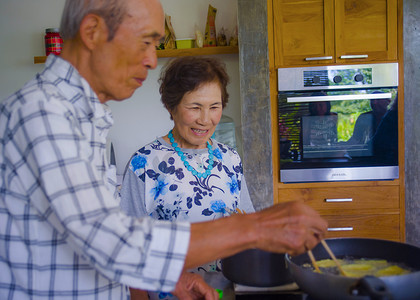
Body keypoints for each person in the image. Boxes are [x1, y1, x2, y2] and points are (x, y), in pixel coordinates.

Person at [0, 0, 328, 299]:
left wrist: (172, 279)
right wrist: (259, 227)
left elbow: (89, 244)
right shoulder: (45, 114)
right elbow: (114, 243)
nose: (152, 59)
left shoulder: (79, 119)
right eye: (146, 42)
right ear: (92, 32)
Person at [120, 56, 255, 299]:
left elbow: (246, 227)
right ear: (171, 107)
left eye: (214, 107)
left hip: (226, 292)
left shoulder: (231, 159)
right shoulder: (145, 163)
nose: (205, 119)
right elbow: (129, 249)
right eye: (195, 107)